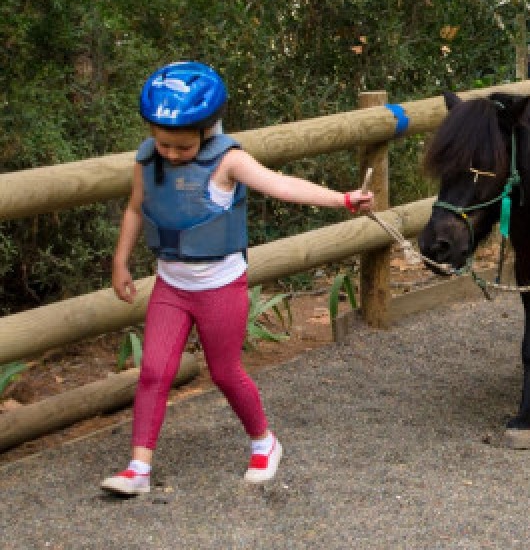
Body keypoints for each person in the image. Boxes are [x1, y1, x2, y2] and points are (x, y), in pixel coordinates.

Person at [101, 61, 374, 497]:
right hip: (171, 285)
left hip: (219, 287)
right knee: (153, 371)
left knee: (225, 372)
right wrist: (120, 262)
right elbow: (135, 208)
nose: (170, 153)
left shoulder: (228, 160)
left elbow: (281, 185)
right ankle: (139, 467)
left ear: (207, 130)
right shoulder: (146, 157)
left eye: (182, 146)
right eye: (163, 142)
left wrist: (342, 199)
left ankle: (264, 441)